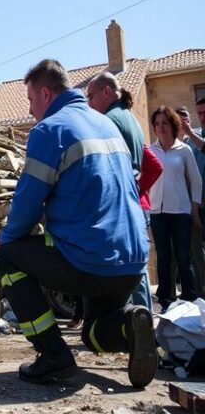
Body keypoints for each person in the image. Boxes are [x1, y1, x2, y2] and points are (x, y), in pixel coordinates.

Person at [0, 59, 155, 388]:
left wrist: (6, 236)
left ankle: (53, 354)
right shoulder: (107, 125)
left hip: (89, 259)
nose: (29, 110)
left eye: (29, 100)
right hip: (133, 261)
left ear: (45, 93)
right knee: (94, 333)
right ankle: (130, 324)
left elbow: (26, 207)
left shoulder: (49, 130)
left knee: (9, 253)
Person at [85, 71, 154, 310]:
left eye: (91, 96)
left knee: (122, 273)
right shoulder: (130, 118)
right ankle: (144, 328)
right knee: (137, 269)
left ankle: (126, 330)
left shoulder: (109, 120)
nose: (89, 104)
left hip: (120, 205)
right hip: (134, 203)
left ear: (106, 92)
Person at [148, 106, 202, 312]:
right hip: (157, 212)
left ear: (172, 124)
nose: (161, 127)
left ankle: (189, 297)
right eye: (157, 124)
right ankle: (165, 299)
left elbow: (196, 182)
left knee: (183, 256)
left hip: (180, 211)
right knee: (163, 256)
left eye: (164, 123)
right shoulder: (150, 151)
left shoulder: (184, 150)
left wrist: (194, 208)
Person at [175, 106, 205, 295]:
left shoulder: (195, 137)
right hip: (194, 205)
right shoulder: (177, 144)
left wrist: (190, 133)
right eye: (199, 113)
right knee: (195, 251)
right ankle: (199, 291)